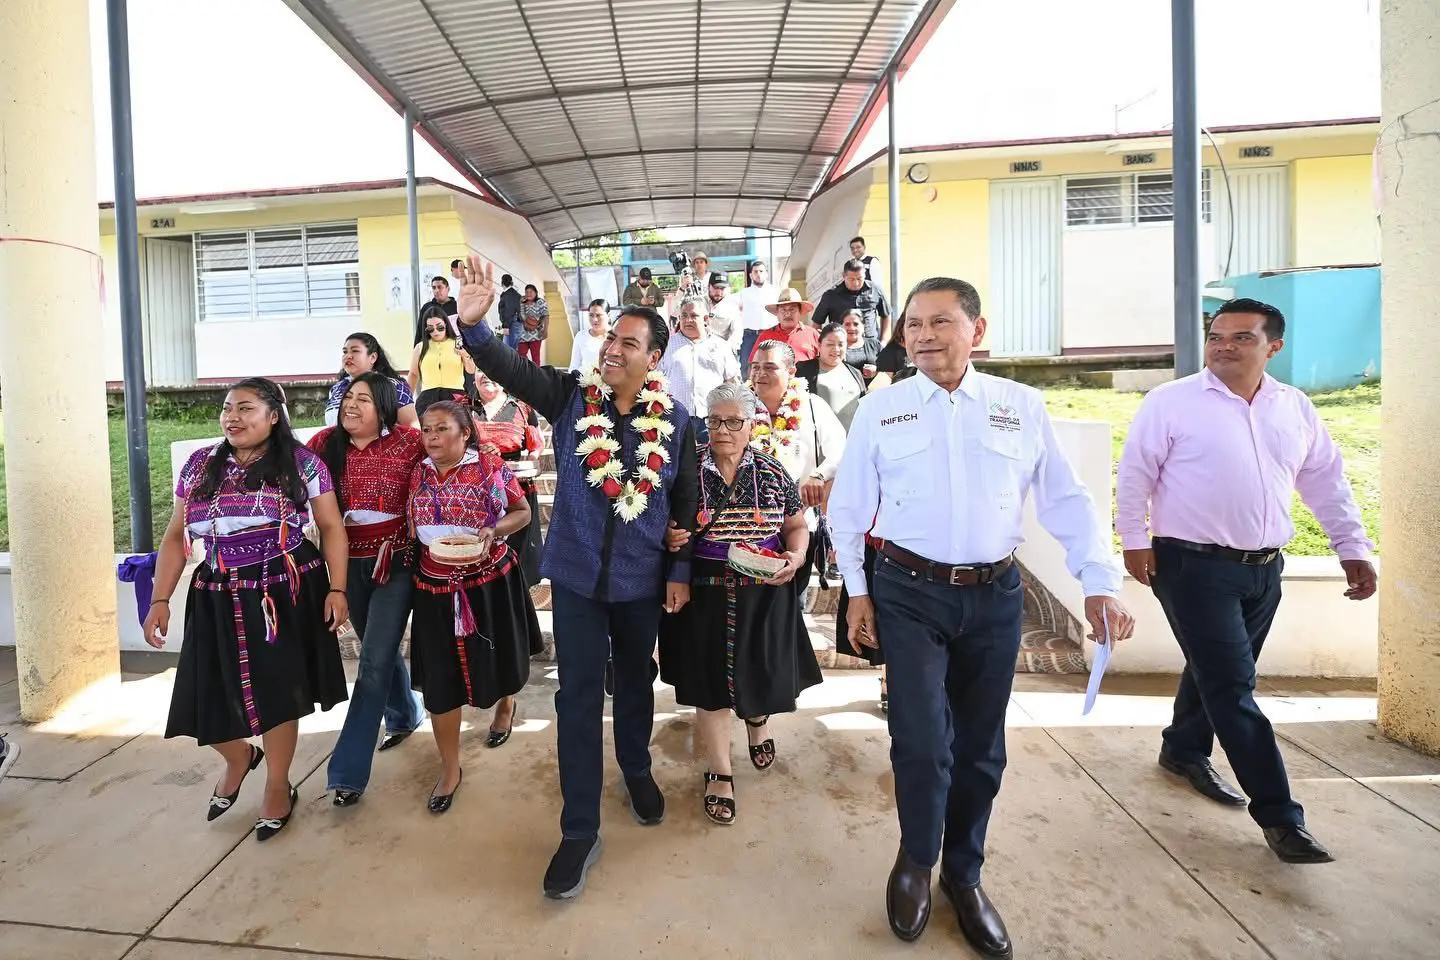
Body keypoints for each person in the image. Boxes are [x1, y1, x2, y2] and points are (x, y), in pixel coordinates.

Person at [829, 277, 1134, 955]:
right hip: (907, 591)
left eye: (940, 322)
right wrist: (856, 591)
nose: (924, 336)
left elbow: (1068, 500)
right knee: (921, 740)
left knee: (980, 748)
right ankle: (916, 858)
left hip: (995, 596)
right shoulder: (884, 409)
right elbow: (848, 507)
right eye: (913, 325)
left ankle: (963, 875)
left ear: (978, 329)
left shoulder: (1019, 406)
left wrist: (1098, 582)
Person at [454, 255, 699, 901]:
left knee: (638, 684)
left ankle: (639, 768)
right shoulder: (570, 398)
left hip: (641, 583)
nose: (613, 348)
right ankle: (580, 830)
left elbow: (686, 503)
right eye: (611, 337)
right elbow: (511, 368)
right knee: (578, 699)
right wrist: (476, 328)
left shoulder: (676, 425)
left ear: (655, 359)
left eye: (629, 342)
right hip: (577, 580)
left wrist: (677, 568)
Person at [1116, 297, 1376, 866]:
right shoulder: (1172, 403)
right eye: (1217, 336)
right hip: (1189, 566)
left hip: (1264, 569)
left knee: (1218, 673)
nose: (1224, 346)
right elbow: (1136, 474)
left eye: (1241, 338)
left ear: (1273, 346)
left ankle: (1184, 749)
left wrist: (1352, 548)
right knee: (1233, 688)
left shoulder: (1295, 407)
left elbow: (1325, 480)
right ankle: (1282, 819)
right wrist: (1133, 540)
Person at [143, 377, 350, 842]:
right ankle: (238, 755)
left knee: (279, 690)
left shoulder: (302, 463)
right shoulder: (200, 465)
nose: (232, 417)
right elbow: (177, 536)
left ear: (274, 415)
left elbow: (332, 526)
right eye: (227, 408)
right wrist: (160, 598)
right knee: (204, 689)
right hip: (216, 589)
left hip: (282, 590)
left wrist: (338, 589)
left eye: (246, 408)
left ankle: (278, 785)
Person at [658, 382, 820, 825]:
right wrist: (670, 539)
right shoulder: (687, 472)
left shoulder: (771, 472)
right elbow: (666, 525)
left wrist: (797, 554)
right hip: (705, 591)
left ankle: (757, 719)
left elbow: (795, 526)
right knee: (711, 684)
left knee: (757, 672)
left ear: (752, 425)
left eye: (733, 421)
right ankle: (720, 770)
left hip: (762, 591)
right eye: (714, 421)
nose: (723, 430)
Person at [405, 401, 542, 812]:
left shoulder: (489, 468)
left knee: (498, 659)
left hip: (488, 583)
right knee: (440, 683)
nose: (431, 436)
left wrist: (493, 529)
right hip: (434, 588)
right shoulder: (418, 473)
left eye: (442, 428)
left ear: (465, 433)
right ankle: (450, 768)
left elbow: (521, 512)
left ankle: (505, 703)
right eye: (426, 429)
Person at [308, 374, 426, 806]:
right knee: (379, 647)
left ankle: (347, 771)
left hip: (394, 563)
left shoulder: (409, 443)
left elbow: (457, 456)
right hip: (344, 564)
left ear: (384, 408)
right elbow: (284, 468)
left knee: (372, 660)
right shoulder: (324, 445)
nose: (351, 406)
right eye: (347, 398)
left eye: (363, 399)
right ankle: (405, 712)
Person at [747, 340, 845, 593]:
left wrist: (818, 474)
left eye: (770, 367)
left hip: (799, 525)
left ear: (791, 372)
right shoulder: (740, 407)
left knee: (792, 604)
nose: (760, 374)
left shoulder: (812, 407)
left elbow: (842, 451)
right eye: (755, 367)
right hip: (747, 527)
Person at [472, 371, 546, 588]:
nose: (486, 376)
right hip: (476, 490)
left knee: (517, 557)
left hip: (517, 492)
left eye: (491, 370)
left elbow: (536, 445)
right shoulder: (463, 407)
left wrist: (525, 464)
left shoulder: (522, 408)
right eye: (480, 371)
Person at [659, 296, 741, 444]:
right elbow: (655, 380)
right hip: (675, 418)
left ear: (705, 319)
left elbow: (733, 381)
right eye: (684, 315)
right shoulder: (667, 345)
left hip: (712, 419)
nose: (688, 320)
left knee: (711, 461)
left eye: (693, 316)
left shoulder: (720, 346)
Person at [327, 333, 418, 428]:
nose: (348, 356)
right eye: (345, 352)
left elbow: (412, 426)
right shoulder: (337, 388)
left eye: (355, 351)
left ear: (373, 357)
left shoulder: (394, 386)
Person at [797, 322, 866, 431]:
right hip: (820, 441)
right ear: (819, 345)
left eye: (841, 344)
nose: (836, 349)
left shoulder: (856, 373)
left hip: (853, 441)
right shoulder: (803, 370)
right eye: (830, 344)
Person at [410, 307, 477, 415]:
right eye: (430, 328)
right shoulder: (420, 347)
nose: (435, 331)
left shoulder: (458, 343)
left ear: (446, 324)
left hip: (455, 396)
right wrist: (406, 401)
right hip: (427, 398)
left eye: (440, 327)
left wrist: (466, 355)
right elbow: (413, 374)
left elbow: (471, 370)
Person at [812, 259, 892, 343]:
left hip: (871, 344)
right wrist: (821, 344)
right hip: (843, 346)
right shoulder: (831, 295)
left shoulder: (875, 290)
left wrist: (884, 341)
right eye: (851, 279)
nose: (856, 283)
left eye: (859, 279)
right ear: (844, 276)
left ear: (864, 275)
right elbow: (816, 323)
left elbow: (886, 315)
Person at [749, 288, 821, 364]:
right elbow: (753, 364)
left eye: (792, 309)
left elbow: (824, 362)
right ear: (777, 313)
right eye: (783, 310)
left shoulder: (813, 334)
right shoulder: (765, 336)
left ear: (799, 311)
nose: (788, 314)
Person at [737, 259, 779, 367]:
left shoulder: (775, 292)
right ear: (751, 275)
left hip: (771, 334)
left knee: (773, 364)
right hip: (749, 336)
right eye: (755, 272)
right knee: (747, 367)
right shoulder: (743, 293)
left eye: (761, 271)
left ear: (766, 274)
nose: (758, 274)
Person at [703, 271, 743, 356]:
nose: (718, 292)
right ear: (709, 286)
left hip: (721, 353)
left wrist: (726, 351)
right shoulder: (699, 302)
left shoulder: (732, 307)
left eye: (722, 288)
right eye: (715, 287)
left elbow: (737, 333)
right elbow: (676, 313)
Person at [415, 276, 460, 344]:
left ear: (448, 289)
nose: (436, 290)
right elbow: (420, 332)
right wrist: (417, 349)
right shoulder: (426, 307)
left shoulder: (457, 306)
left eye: (440, 287)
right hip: (432, 348)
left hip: (454, 346)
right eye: (434, 288)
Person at [570, 299, 611, 372]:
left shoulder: (615, 337)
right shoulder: (581, 336)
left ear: (608, 316)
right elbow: (574, 366)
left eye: (598, 315)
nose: (594, 319)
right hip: (584, 381)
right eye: (591, 315)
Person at [841, 309, 880, 384]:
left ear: (863, 326)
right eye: (847, 324)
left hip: (873, 392)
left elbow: (890, 367)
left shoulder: (874, 344)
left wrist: (877, 370)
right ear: (841, 326)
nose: (851, 328)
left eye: (856, 324)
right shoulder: (837, 346)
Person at [870, 321, 912, 390]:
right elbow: (881, 386)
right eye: (913, 325)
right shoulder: (890, 352)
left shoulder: (926, 350)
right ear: (901, 328)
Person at [517, 283, 549, 365]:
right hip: (523, 335)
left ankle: (536, 376)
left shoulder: (540, 302)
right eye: (527, 292)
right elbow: (520, 316)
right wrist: (521, 303)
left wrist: (545, 331)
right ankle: (528, 372)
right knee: (521, 355)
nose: (529, 294)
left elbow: (546, 316)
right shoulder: (522, 303)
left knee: (536, 358)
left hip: (536, 334)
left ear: (536, 292)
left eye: (531, 291)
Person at [499, 274, 523, 349]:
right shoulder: (517, 294)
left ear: (502, 283)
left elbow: (509, 311)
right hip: (517, 324)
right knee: (514, 352)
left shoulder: (508, 294)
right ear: (511, 283)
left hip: (511, 324)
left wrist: (506, 326)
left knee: (507, 351)